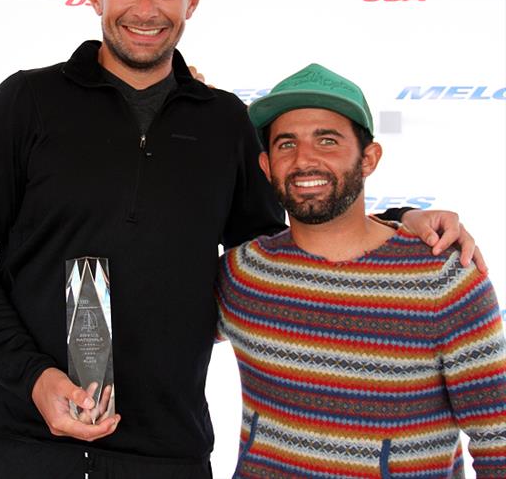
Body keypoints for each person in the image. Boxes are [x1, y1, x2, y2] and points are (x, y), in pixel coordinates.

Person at [0, 0, 482, 479]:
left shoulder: (224, 122)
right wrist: (33, 378)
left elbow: (291, 245)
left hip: (171, 453)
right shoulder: (26, 102)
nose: (145, 9)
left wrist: (400, 219)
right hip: (31, 446)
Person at [217, 63, 506, 478]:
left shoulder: (444, 278)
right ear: (265, 166)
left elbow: (497, 441)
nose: (304, 160)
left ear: (368, 158)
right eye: (286, 145)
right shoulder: (243, 274)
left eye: (327, 141)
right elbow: (161, 335)